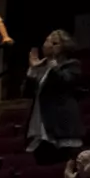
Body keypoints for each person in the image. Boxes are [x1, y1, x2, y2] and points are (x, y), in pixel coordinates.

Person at [26, 30, 84, 163]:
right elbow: (28, 93)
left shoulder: (72, 65)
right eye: (47, 41)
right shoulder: (42, 68)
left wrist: (53, 65)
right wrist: (33, 69)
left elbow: (64, 81)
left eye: (54, 43)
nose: (49, 45)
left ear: (64, 47)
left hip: (61, 127)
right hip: (41, 128)